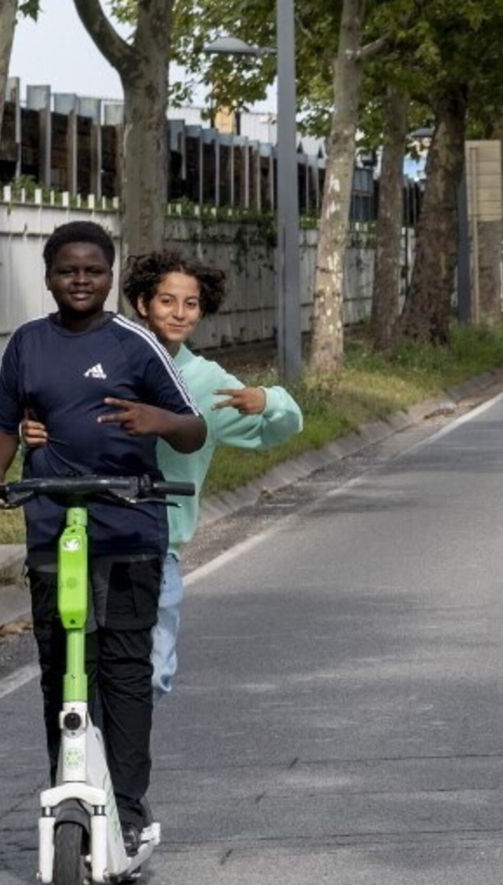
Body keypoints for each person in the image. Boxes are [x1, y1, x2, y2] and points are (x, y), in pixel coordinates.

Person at [0, 222, 207, 854]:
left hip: (128, 528)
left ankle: (128, 808)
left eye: (93, 270)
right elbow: (0, 424)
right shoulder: (26, 344)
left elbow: (192, 429)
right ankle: (72, 787)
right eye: (67, 270)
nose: (80, 280)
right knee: (60, 670)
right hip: (53, 527)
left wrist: (159, 420)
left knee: (125, 672)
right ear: (48, 275)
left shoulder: (136, 343)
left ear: (110, 276)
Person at [20, 250, 304, 705]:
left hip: (157, 549)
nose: (179, 313)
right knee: (76, 671)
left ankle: (116, 763)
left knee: (149, 672)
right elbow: (52, 423)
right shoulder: (100, 361)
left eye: (190, 304)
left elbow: (281, 430)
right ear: (141, 303)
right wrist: (26, 433)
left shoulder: (208, 381)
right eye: (167, 301)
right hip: (84, 539)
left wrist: (268, 399)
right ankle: (85, 766)